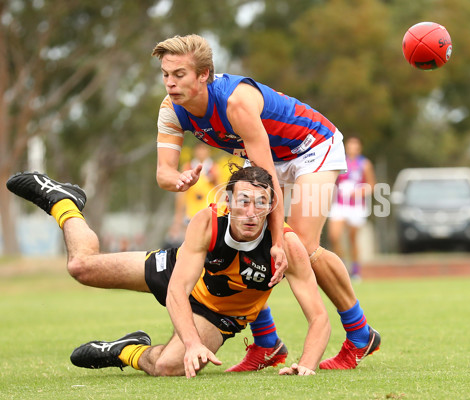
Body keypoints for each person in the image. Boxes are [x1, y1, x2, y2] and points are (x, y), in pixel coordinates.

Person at [151, 34, 380, 370]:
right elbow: (163, 173)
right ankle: (268, 343)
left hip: (312, 147)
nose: (170, 83)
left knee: (298, 244)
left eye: (179, 75)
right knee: (239, 235)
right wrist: (179, 180)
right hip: (268, 160)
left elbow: (266, 177)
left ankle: (360, 334)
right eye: (166, 75)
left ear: (204, 74)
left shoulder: (236, 104)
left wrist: (276, 241)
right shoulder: (172, 110)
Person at [6, 167, 330, 377]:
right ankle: (64, 202)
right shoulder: (208, 221)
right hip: (178, 273)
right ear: (228, 201)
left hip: (219, 314)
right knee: (80, 267)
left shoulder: (286, 246)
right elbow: (177, 290)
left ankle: (125, 350)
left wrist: (307, 365)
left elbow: (318, 317)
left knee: (166, 367)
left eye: (261, 203)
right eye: (243, 201)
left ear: (272, 207)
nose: (250, 212)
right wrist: (191, 343)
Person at [327, 137, 376, 280]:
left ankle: (355, 270)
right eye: (349, 145)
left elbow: (372, 185)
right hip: (340, 204)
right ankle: (342, 266)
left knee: (352, 238)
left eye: (355, 145)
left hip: (356, 207)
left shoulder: (365, 164)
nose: (352, 148)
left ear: (359, 147)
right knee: (334, 236)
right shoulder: (340, 162)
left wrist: (361, 191)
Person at [166, 141, 220, 246]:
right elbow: (181, 193)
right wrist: (178, 216)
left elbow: (220, 191)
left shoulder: (214, 168)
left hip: (209, 212)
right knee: (190, 243)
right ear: (195, 151)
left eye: (204, 149)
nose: (201, 152)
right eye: (199, 149)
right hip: (191, 213)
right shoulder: (188, 167)